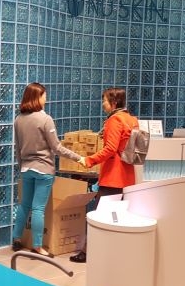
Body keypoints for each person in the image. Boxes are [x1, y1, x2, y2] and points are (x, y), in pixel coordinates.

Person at [12, 82, 85, 257]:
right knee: (38, 208)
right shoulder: (45, 119)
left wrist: (22, 167)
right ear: (37, 97)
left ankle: (16, 239)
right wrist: (79, 158)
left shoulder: (18, 119)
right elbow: (57, 147)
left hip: (26, 169)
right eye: (44, 95)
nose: (46, 98)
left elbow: (17, 148)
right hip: (43, 169)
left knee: (24, 205)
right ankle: (38, 246)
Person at [70, 87, 140, 264]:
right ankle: (114, 252)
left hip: (113, 176)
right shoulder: (131, 119)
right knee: (118, 217)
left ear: (114, 103)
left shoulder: (114, 120)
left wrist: (89, 160)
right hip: (127, 176)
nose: (103, 104)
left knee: (98, 216)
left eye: (105, 101)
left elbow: (110, 149)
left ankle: (88, 252)